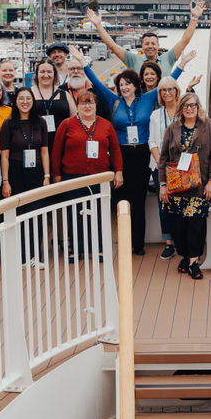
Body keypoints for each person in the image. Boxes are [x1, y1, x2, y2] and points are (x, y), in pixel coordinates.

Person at [81, 48, 157, 256]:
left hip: (141, 153)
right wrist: (83, 64)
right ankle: (123, 242)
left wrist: (182, 64)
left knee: (139, 201)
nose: (123, 88)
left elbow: (168, 83)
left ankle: (138, 245)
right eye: (121, 85)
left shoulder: (147, 99)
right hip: (120, 154)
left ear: (135, 85)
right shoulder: (114, 101)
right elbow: (96, 82)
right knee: (122, 200)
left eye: (127, 84)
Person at [50, 90, 124, 263]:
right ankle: (76, 247)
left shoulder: (106, 125)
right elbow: (56, 151)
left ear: (96, 105)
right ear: (77, 106)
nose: (87, 106)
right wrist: (56, 175)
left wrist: (118, 170)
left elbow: (114, 149)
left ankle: (97, 246)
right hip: (73, 178)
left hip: (99, 177)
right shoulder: (67, 124)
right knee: (74, 213)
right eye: (83, 103)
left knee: (98, 212)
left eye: (90, 102)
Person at [157, 92, 211, 279]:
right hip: (176, 186)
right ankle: (185, 257)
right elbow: (163, 158)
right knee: (178, 226)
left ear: (198, 107)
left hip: (199, 185)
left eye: (193, 105)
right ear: (181, 108)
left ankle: (194, 262)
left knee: (196, 224)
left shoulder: (209, 126)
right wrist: (163, 184)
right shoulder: (172, 128)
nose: (189, 109)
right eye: (185, 106)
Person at [0, 87, 52, 268]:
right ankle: (20, 257)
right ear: (15, 102)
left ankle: (34, 255)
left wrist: (47, 175)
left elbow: (45, 151)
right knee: (19, 214)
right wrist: (5, 181)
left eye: (28, 98)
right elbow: (4, 155)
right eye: (21, 99)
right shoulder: (8, 124)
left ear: (33, 101)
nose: (24, 102)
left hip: (36, 171)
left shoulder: (41, 123)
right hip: (15, 172)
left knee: (36, 214)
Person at [86, 0, 204, 75]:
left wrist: (194, 18)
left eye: (153, 43)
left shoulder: (168, 58)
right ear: (141, 46)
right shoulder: (133, 59)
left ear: (158, 46)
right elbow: (111, 45)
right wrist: (98, 25)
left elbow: (184, 41)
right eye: (147, 44)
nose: (150, 46)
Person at [149, 76, 184, 259]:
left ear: (177, 91)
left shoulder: (184, 112)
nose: (167, 93)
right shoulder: (155, 115)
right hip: (160, 166)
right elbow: (152, 141)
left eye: (171, 89)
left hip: (181, 166)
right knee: (164, 203)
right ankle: (169, 242)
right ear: (160, 94)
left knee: (182, 203)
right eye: (164, 90)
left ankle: (183, 239)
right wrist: (162, 163)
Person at [28, 57, 76, 135]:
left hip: (61, 141)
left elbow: (74, 119)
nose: (46, 75)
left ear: (54, 74)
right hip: (35, 142)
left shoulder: (65, 95)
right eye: (42, 72)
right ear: (36, 74)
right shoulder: (29, 93)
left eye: (49, 72)